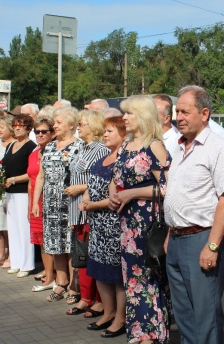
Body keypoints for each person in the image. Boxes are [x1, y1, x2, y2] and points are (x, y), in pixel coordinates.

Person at [164, 85, 224, 344]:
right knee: (184, 315)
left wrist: (213, 245)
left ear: (204, 113)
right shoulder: (179, 145)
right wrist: (171, 232)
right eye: (177, 112)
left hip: (202, 239)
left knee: (205, 317)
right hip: (176, 239)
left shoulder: (218, 147)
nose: (179, 117)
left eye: (185, 112)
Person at [109, 94, 171, 344]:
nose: (124, 117)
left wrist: (132, 193)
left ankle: (153, 335)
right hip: (127, 223)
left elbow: (167, 187)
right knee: (132, 280)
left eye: (129, 113)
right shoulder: (125, 145)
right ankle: (138, 334)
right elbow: (116, 177)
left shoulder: (154, 145)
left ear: (143, 116)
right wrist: (114, 192)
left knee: (148, 278)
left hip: (147, 223)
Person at [80, 116, 126, 338]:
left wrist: (92, 204)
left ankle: (120, 318)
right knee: (100, 270)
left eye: (110, 131)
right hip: (97, 225)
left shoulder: (124, 159)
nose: (105, 135)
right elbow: (90, 184)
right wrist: (86, 199)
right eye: (105, 131)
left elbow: (115, 198)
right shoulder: (104, 158)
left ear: (124, 134)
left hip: (114, 224)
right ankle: (108, 313)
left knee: (117, 274)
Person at [32, 107, 83, 301]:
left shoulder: (79, 146)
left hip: (70, 202)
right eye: (55, 122)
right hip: (51, 203)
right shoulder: (50, 146)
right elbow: (41, 176)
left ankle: (73, 285)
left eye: (59, 122)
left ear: (71, 124)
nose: (55, 126)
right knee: (55, 244)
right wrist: (37, 201)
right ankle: (61, 282)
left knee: (70, 244)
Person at [65, 110, 109, 312]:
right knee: (81, 254)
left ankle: (96, 299)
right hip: (77, 209)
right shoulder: (83, 147)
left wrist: (80, 189)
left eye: (82, 124)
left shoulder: (100, 149)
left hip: (91, 209)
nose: (79, 127)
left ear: (93, 126)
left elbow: (99, 179)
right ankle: (86, 296)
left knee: (92, 254)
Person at [3, 114, 37, 277]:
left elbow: (31, 173)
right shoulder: (11, 146)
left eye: (21, 125)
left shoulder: (31, 146)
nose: (17, 127)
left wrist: (14, 179)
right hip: (10, 193)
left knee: (24, 228)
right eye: (15, 125)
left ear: (28, 128)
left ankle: (26, 264)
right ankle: (16, 261)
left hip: (23, 191)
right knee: (13, 228)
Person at [29, 116, 56, 291]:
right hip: (36, 200)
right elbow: (32, 181)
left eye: (43, 131)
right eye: (37, 131)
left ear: (52, 133)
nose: (39, 134)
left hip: (51, 200)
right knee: (41, 240)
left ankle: (54, 277)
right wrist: (31, 204)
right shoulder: (34, 152)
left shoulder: (53, 151)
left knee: (51, 239)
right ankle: (48, 274)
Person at [0, 114, 16, 269]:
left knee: (7, 225)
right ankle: (1, 253)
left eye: (2, 127)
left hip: (10, 188)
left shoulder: (13, 145)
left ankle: (11, 254)